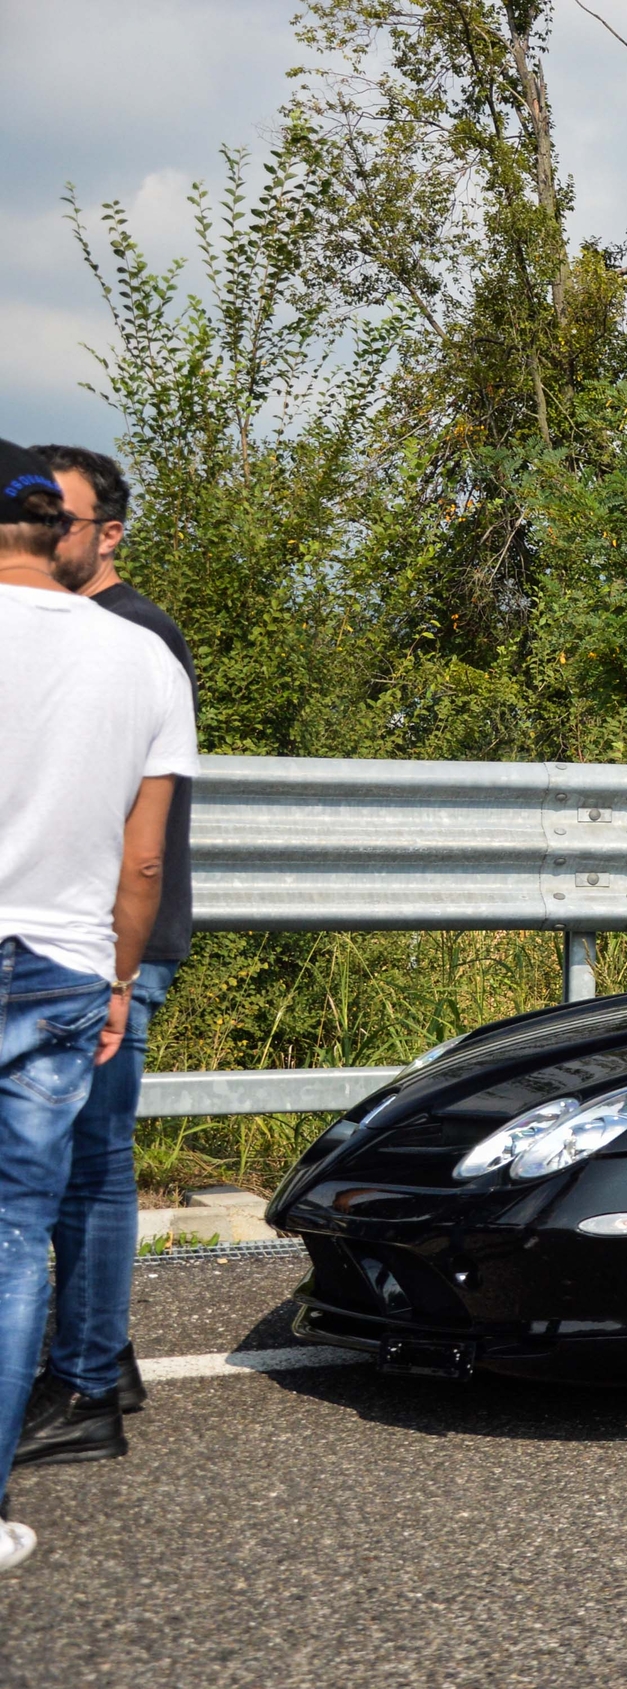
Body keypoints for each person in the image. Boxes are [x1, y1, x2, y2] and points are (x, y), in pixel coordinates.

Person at [0, 438, 195, 1575]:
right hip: (72, 964)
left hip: (81, 955)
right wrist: (120, 978)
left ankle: (86, 1373)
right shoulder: (138, 660)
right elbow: (144, 861)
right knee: (20, 1227)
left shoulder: (140, 634)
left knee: (94, 1171)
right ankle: (78, 1375)